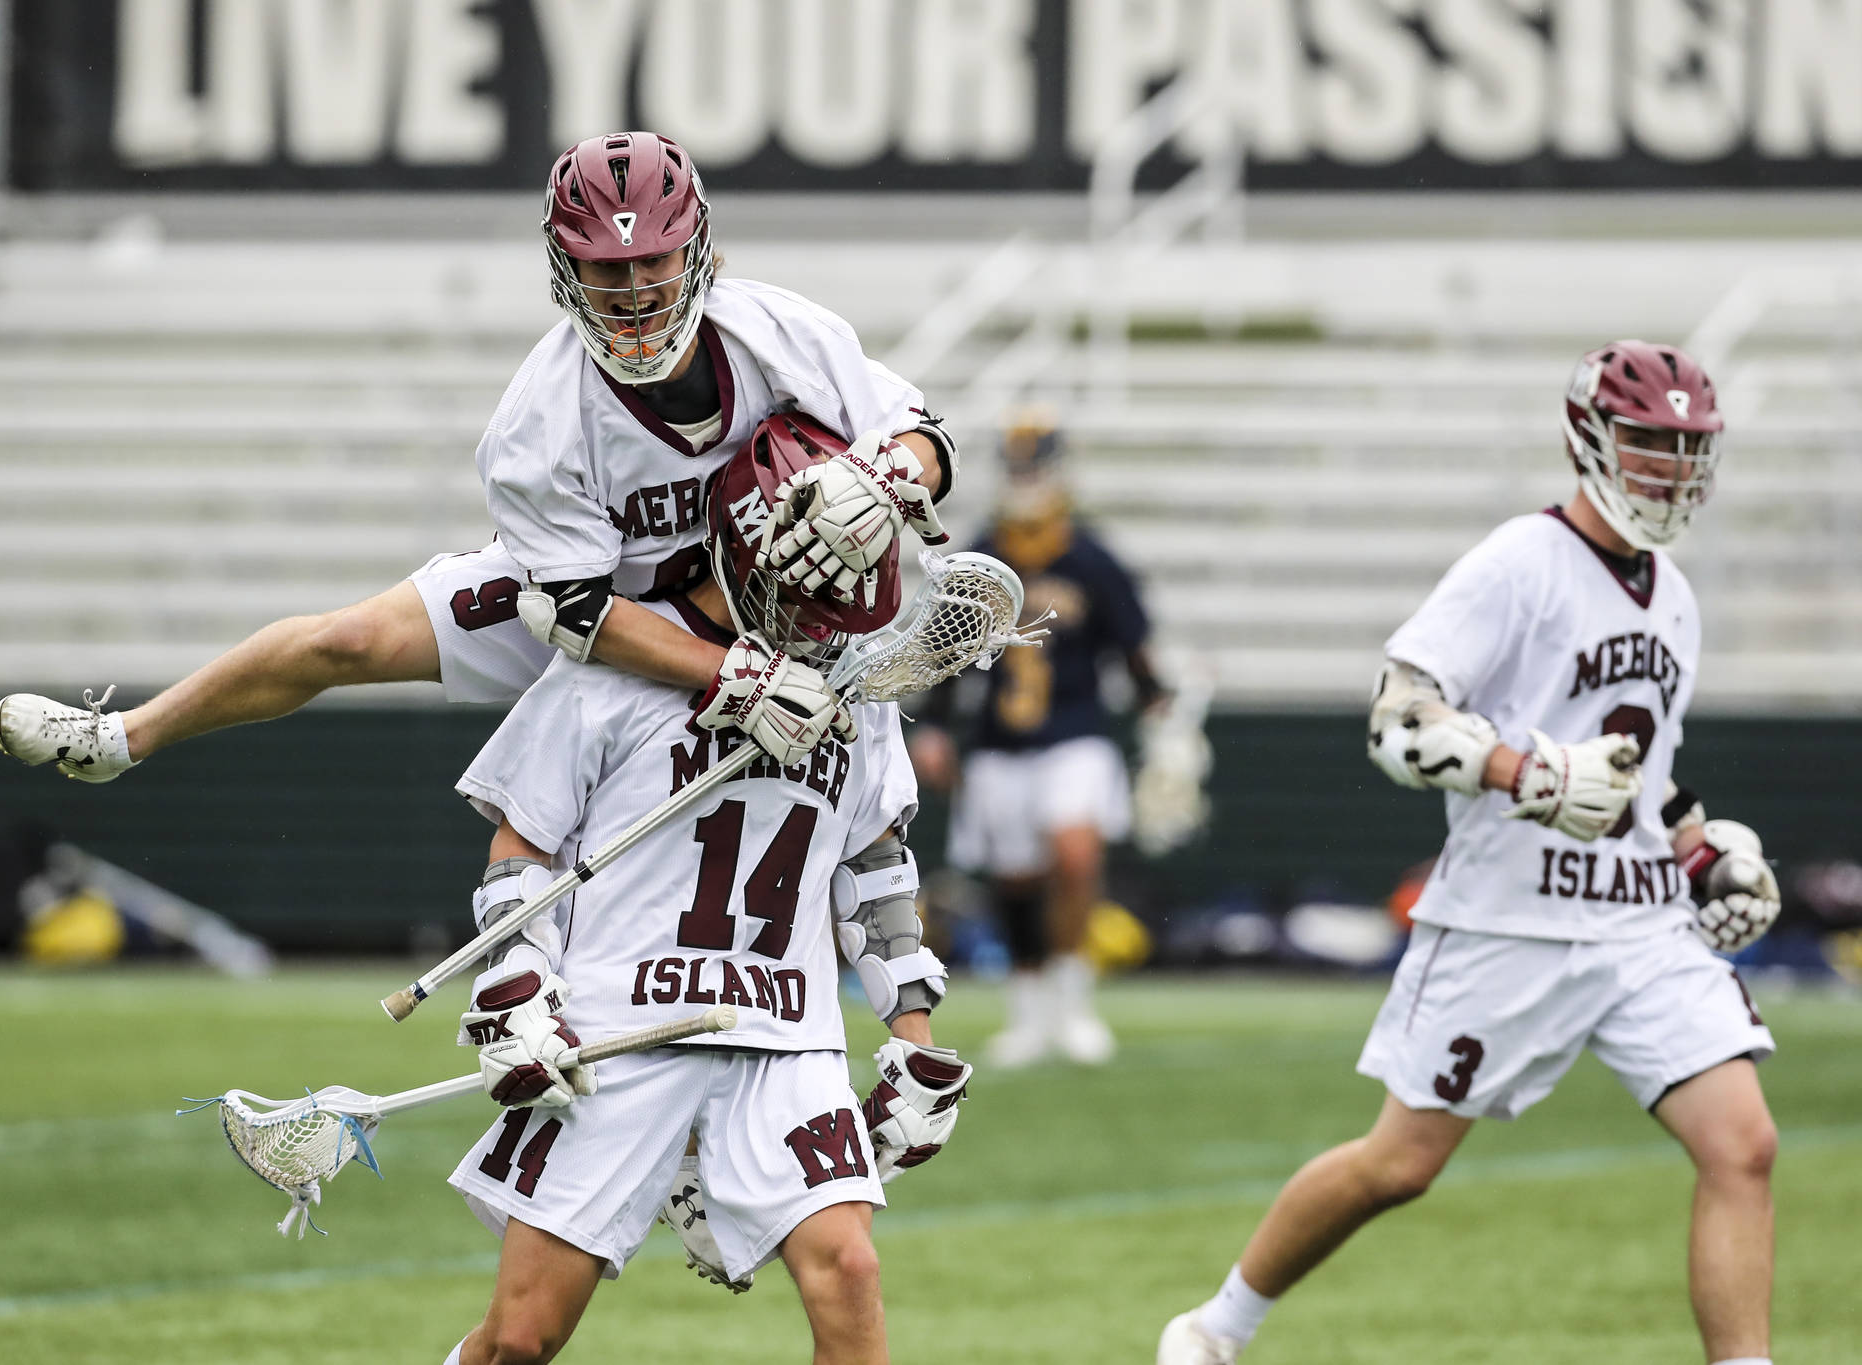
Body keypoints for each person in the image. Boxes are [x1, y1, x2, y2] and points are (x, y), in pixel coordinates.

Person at [1157, 341, 1784, 1365]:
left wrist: (1700, 851)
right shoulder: (1518, 563)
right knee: (1396, 1165)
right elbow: (1397, 720)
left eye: (1685, 449)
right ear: (1588, 439)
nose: (1668, 470)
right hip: (1509, 918)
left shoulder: (1672, 592)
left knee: (1742, 1144)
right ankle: (1212, 1330)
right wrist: (1525, 775)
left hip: (1635, 923)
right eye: (1647, 444)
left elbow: (1646, 771)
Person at [0, 129, 957, 783]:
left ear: (696, 248)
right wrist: (729, 678)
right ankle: (121, 736)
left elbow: (928, 439)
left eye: (652, 261)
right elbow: (580, 616)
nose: (632, 290)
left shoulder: (784, 333)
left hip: (774, 600)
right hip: (615, 598)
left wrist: (879, 479)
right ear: (563, 266)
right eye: (605, 269)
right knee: (350, 641)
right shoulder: (541, 417)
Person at [440, 413, 972, 1365]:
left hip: (784, 1033)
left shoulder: (855, 690)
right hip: (620, 1026)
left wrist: (912, 1038)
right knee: (521, 1337)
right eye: (814, 583)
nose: (833, 610)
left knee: (847, 1271)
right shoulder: (616, 669)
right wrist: (515, 983)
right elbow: (523, 842)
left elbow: (876, 868)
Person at [908, 412, 1168, 1068]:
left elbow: (1132, 647)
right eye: (1019, 469)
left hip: (1076, 730)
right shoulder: (983, 555)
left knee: (1074, 851)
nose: (1026, 481)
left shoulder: (1090, 556)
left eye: (1036, 468)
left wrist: (1157, 704)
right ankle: (1029, 1010)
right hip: (1000, 740)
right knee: (1016, 878)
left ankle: (1073, 1000)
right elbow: (945, 649)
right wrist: (935, 726)